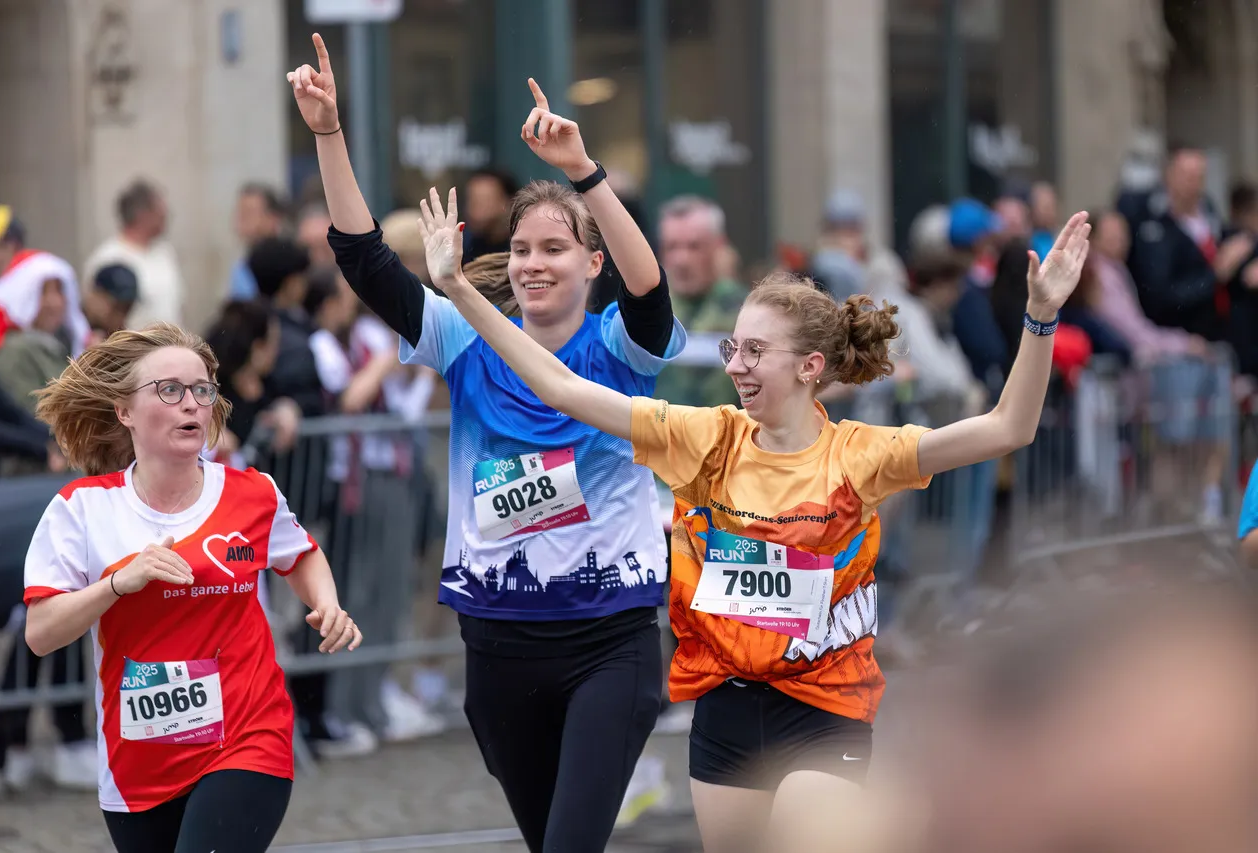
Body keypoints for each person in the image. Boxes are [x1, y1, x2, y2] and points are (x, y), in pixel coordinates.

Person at [414, 185, 1091, 852]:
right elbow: (560, 386)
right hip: (726, 714)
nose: (735, 365)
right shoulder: (704, 437)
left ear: (810, 366)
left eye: (755, 352)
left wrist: (1039, 317)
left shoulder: (861, 455)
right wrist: (462, 291)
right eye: (732, 349)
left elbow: (1009, 426)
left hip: (825, 710)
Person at [287, 34, 685, 853]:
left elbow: (651, 290)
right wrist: (329, 134)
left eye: (555, 249)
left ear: (592, 261)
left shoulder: (620, 347)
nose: (534, 264)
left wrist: (584, 171)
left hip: (609, 636)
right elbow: (365, 262)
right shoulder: (465, 335)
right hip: (498, 638)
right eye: (523, 249)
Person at [21, 322, 363, 853]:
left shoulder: (251, 493)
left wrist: (327, 603)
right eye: (170, 390)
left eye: (202, 391)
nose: (191, 405)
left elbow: (301, 555)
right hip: (139, 760)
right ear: (124, 410)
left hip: (248, 737)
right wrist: (117, 584)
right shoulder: (82, 508)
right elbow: (41, 633)